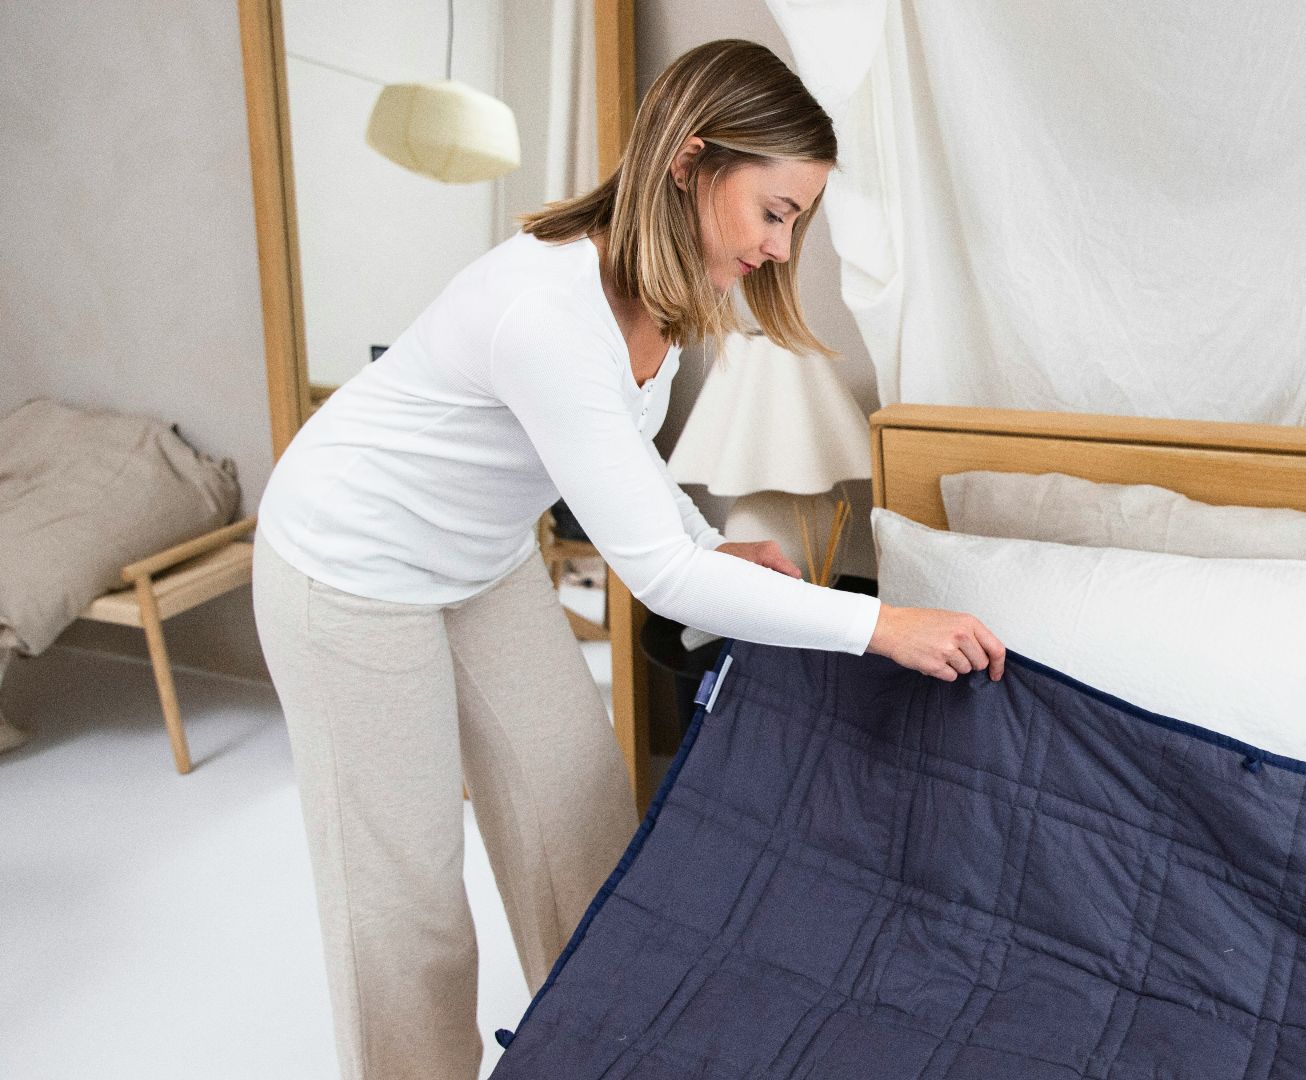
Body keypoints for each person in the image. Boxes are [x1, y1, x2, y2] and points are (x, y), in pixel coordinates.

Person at [252, 39, 1004, 1080]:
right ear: (692, 161)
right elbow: (656, 579)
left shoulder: (662, 287)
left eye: (799, 220)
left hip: (479, 559)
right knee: (407, 909)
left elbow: (639, 502)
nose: (784, 249)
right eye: (776, 212)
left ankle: (602, 1055)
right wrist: (882, 625)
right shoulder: (550, 311)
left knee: (583, 832)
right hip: (347, 566)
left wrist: (712, 544)